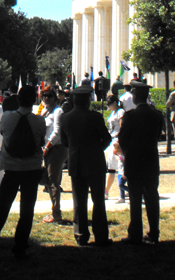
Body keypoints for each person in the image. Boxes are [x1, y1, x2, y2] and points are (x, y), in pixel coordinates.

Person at [0, 84, 46, 260]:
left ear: (18, 100)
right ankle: (20, 246)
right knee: (27, 209)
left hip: (11, 168)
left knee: (2, 207)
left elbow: (4, 134)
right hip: (31, 169)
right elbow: (41, 140)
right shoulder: (39, 121)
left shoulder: (7, 117)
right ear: (35, 100)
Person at [60, 81, 112, 246]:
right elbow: (107, 139)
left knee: (79, 202)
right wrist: (97, 149)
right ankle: (101, 235)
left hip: (76, 162)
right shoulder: (95, 117)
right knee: (98, 200)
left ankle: (80, 234)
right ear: (88, 100)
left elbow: (64, 141)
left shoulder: (65, 118)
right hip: (95, 162)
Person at [118, 80, 164, 245]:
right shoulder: (157, 115)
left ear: (135, 96)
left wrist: (128, 153)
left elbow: (122, 139)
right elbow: (157, 136)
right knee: (152, 198)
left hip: (134, 161)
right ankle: (154, 232)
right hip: (151, 160)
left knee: (135, 199)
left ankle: (135, 234)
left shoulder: (130, 116)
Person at [40, 87, 68, 223]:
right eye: (44, 95)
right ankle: (55, 211)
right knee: (48, 180)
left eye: (49, 96)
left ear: (54, 97)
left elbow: (57, 133)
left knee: (53, 182)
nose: (46, 98)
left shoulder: (58, 111)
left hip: (56, 148)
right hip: (48, 148)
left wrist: (46, 147)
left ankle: (56, 214)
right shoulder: (45, 111)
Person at [104, 95, 124, 199]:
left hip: (116, 139)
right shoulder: (113, 113)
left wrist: (119, 140)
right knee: (111, 165)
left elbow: (122, 126)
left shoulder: (120, 112)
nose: (108, 106)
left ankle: (107, 191)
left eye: (109, 104)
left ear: (115, 103)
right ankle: (106, 190)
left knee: (115, 166)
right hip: (111, 139)